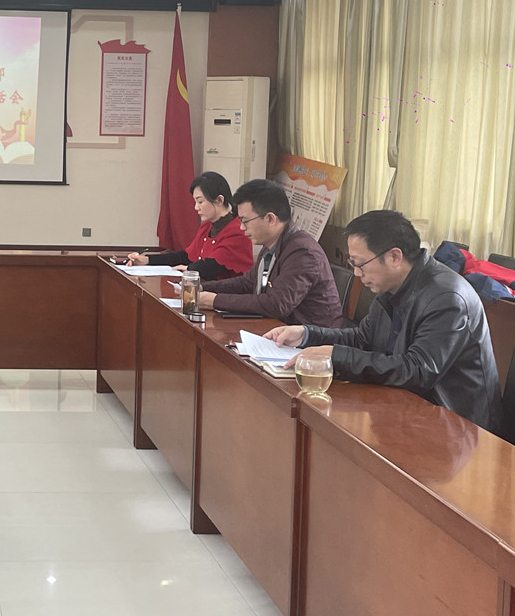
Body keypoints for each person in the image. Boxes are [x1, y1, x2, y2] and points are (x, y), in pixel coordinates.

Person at [265, 210, 502, 432]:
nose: (357, 273)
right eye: (352, 264)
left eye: (360, 264)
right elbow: (362, 339)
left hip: (459, 426)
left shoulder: (447, 298)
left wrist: (335, 356)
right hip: (409, 407)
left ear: (394, 257)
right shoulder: (392, 285)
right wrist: (307, 335)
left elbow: (418, 371)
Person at [198, 178, 346, 327]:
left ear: (270, 219)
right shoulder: (273, 244)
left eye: (245, 221)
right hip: (279, 329)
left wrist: (215, 301)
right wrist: (202, 287)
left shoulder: (303, 252)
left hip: (312, 337)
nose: (241, 228)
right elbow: (247, 283)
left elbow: (277, 304)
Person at [125, 171, 252, 281]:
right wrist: (147, 260)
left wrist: (189, 269)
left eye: (200, 202)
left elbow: (213, 266)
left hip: (226, 294)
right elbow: (186, 256)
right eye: (195, 202)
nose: (196, 207)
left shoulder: (237, 230)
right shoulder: (207, 225)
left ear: (219, 200)